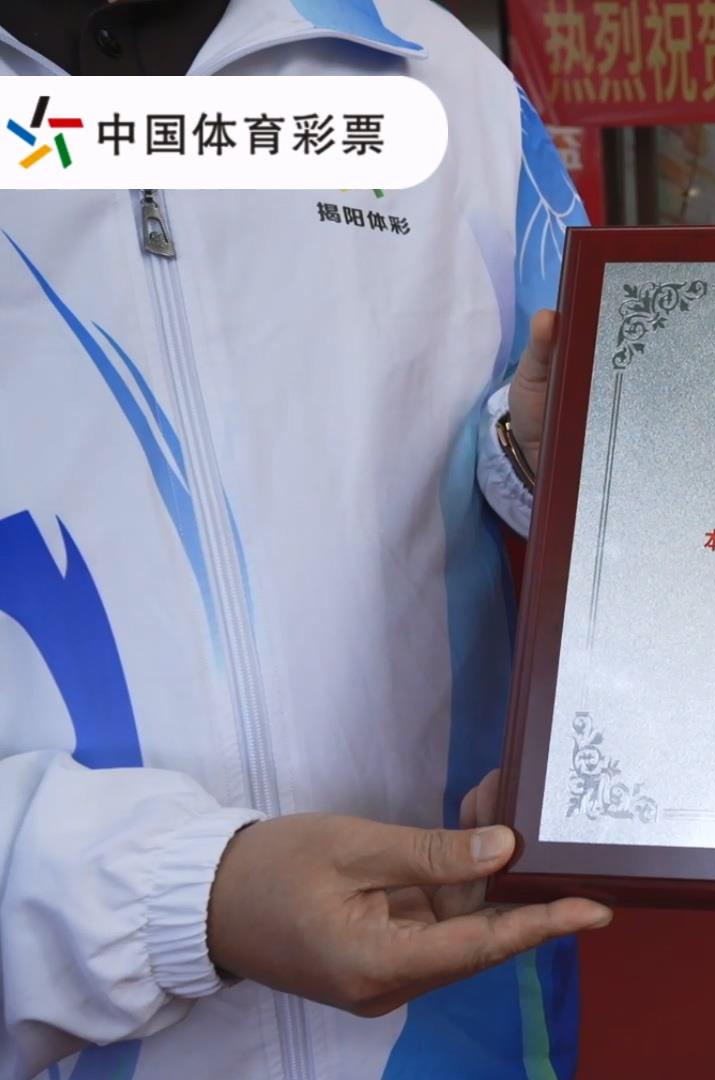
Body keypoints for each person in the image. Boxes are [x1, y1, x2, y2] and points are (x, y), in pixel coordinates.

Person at [0, 2, 610, 1078]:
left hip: (463, 1020)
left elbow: (554, 440)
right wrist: (184, 899)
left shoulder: (439, 77)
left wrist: (544, 458)